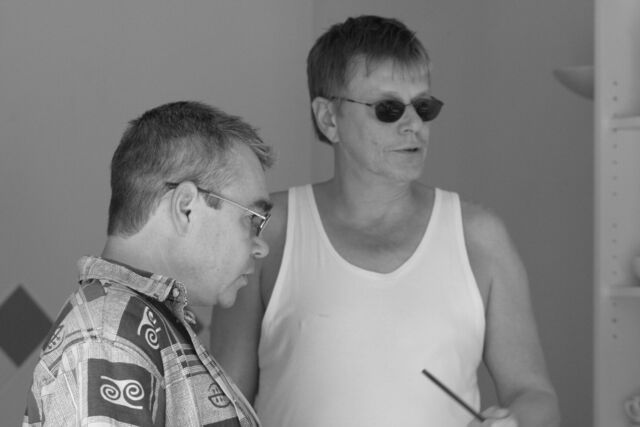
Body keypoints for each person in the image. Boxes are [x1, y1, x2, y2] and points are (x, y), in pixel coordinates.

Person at [210, 15, 561, 427]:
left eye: (424, 107)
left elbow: (535, 395)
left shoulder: (479, 237)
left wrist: (515, 422)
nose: (414, 126)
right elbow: (222, 407)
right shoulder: (270, 231)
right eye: (388, 109)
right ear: (329, 119)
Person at [23, 101, 273, 426]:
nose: (261, 247)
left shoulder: (136, 325)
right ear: (186, 208)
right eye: (252, 219)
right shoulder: (109, 337)